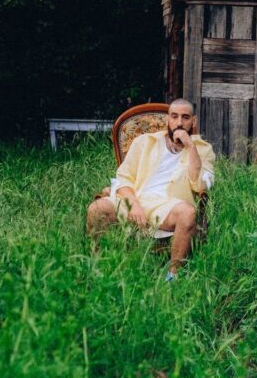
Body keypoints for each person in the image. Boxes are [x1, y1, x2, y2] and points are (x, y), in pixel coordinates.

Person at [86, 99, 215, 280]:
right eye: (174, 116)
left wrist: (190, 146)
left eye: (185, 117)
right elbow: (124, 178)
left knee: (188, 213)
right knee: (96, 209)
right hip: (137, 198)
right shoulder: (145, 142)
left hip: (169, 205)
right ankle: (98, 267)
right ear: (167, 119)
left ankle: (173, 276)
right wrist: (134, 205)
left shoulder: (203, 149)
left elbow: (201, 185)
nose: (179, 123)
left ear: (193, 121)